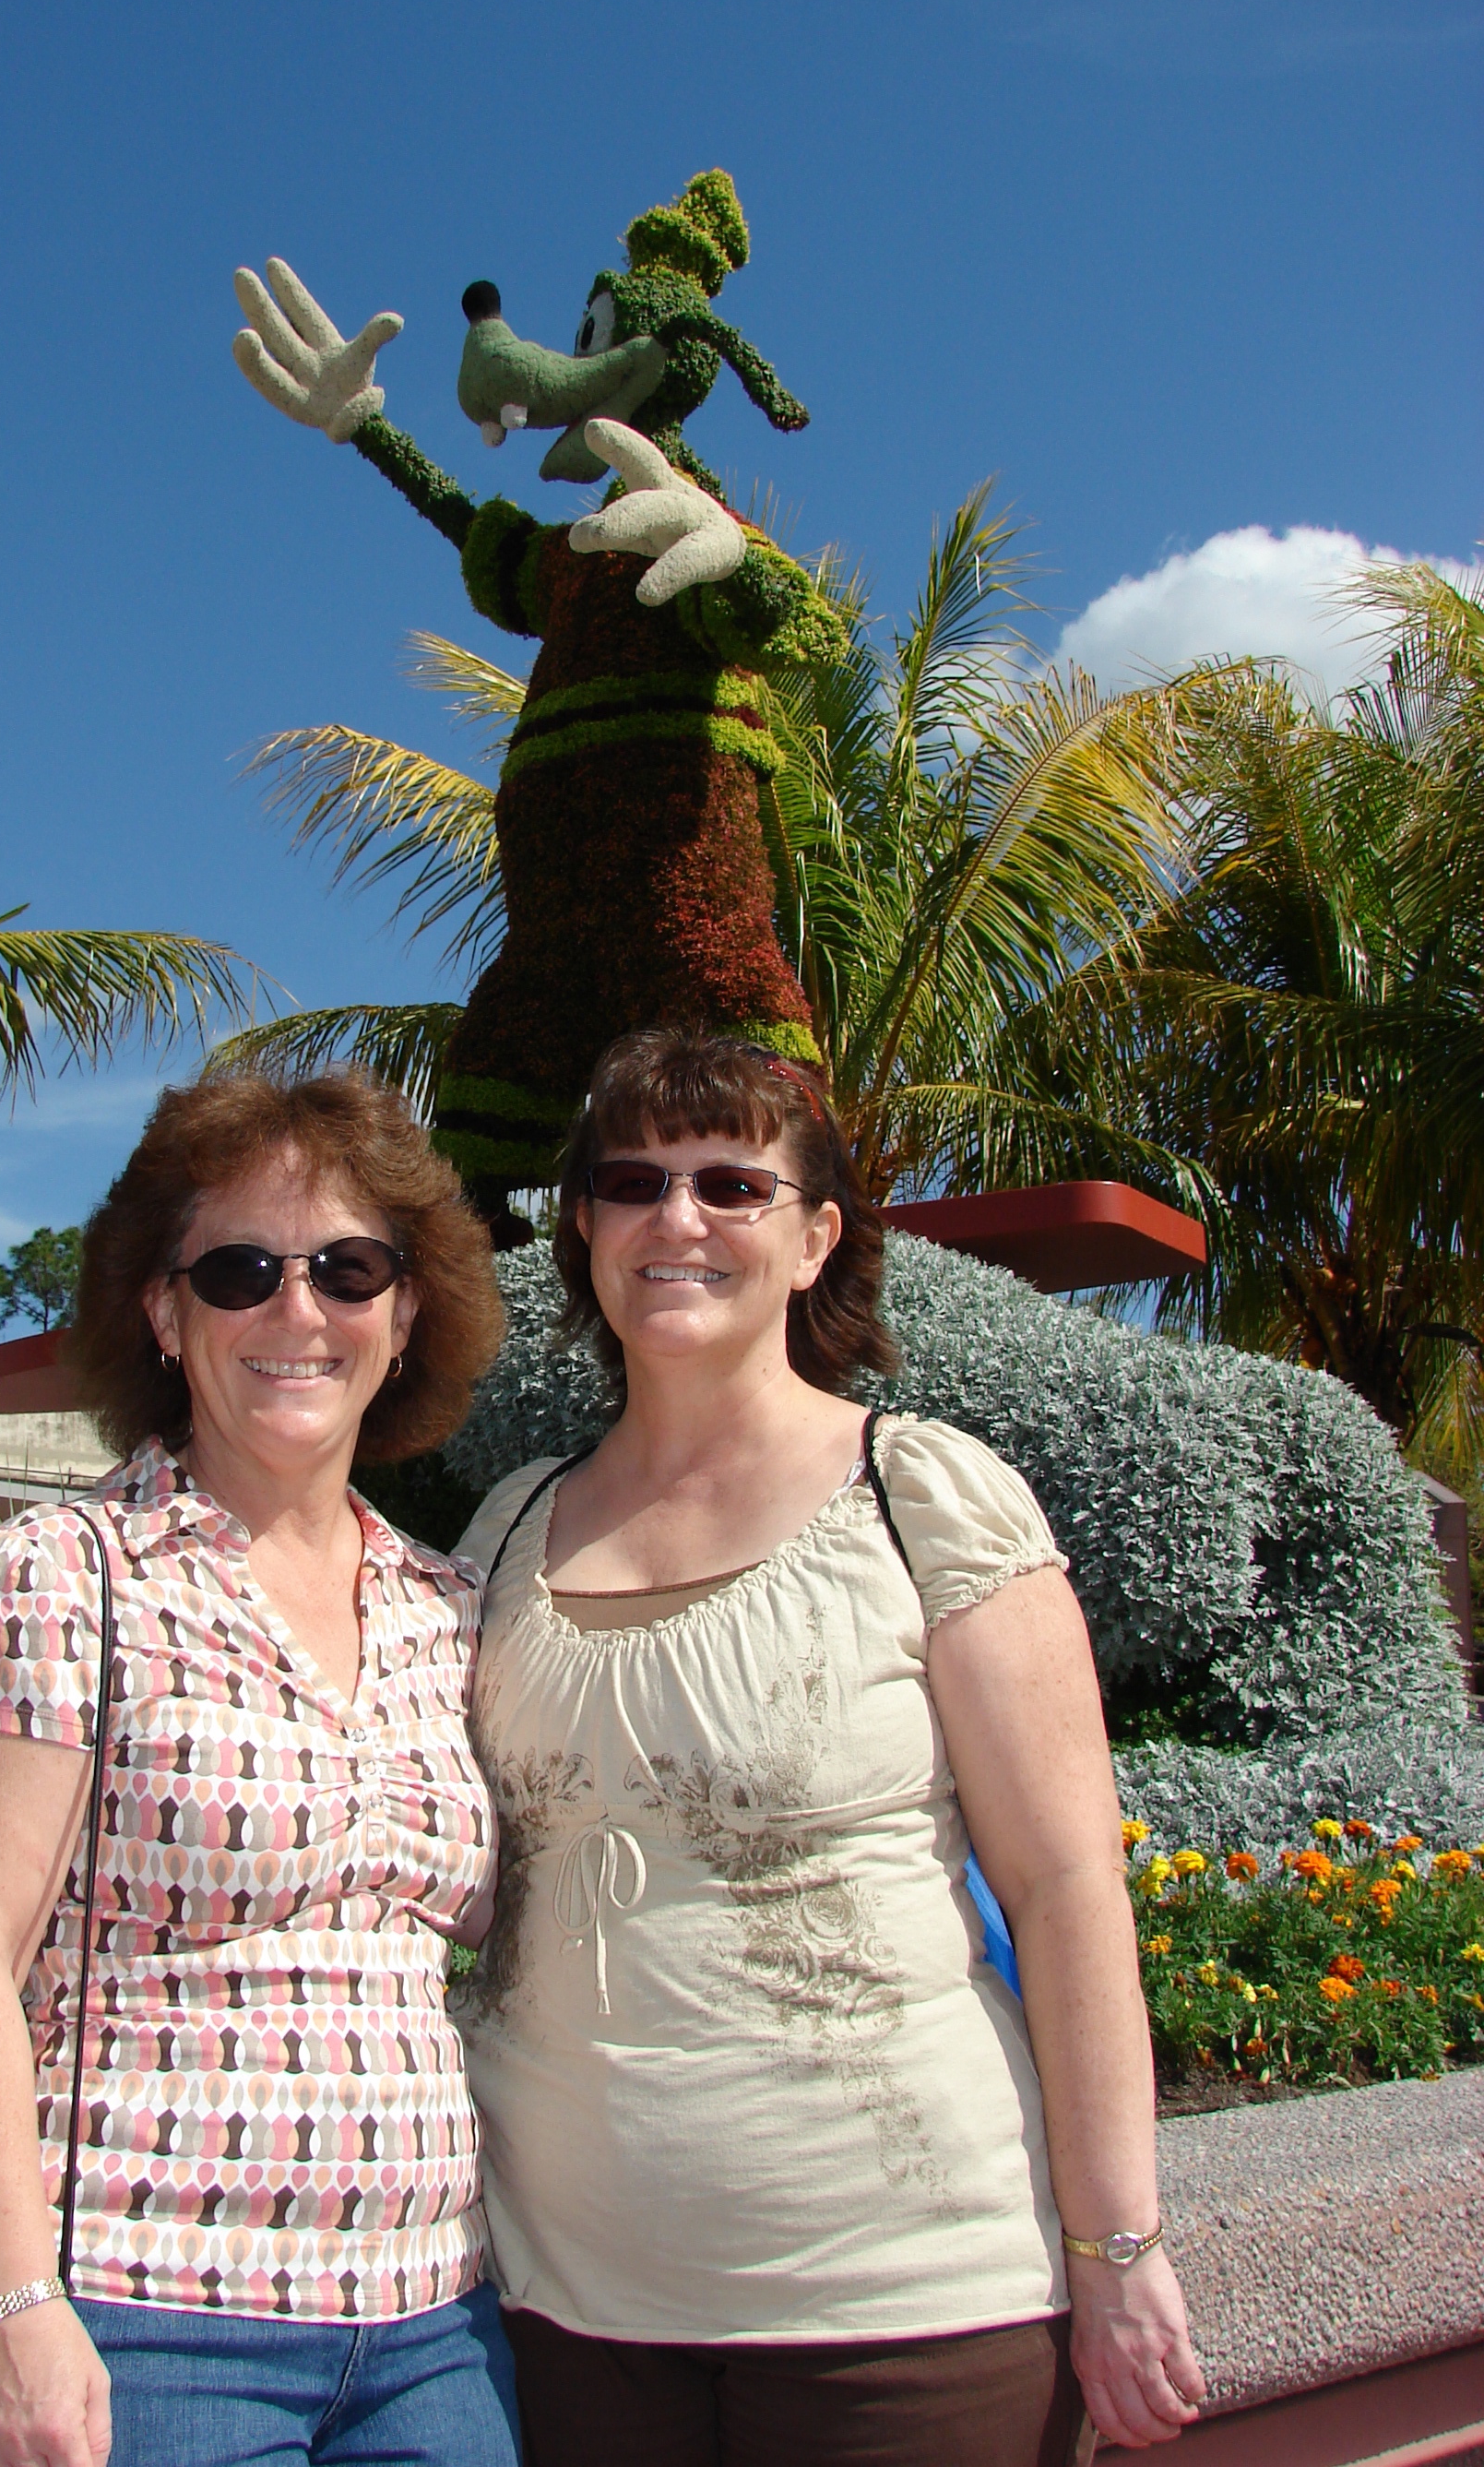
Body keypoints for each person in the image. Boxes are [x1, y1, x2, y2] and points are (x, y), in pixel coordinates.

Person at [453, 1030, 1205, 2467]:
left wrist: (1118, 2245)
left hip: (910, 2305)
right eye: (632, 1183)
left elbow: (1064, 1888)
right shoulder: (508, 1525)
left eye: (732, 1185)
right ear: (585, 1232)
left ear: (814, 1241)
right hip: (561, 2310)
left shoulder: (922, 1496)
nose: (677, 1218)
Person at [0, 1071, 520, 2467]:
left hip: (432, 2327)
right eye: (239, 1272)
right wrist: (8, 2311)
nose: (299, 1310)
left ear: (408, 1312)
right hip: (125, 2313)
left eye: (349, 1270)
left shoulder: (452, 1608)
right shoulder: (58, 1580)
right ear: (165, 1316)